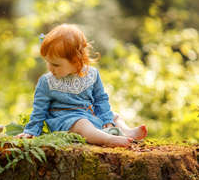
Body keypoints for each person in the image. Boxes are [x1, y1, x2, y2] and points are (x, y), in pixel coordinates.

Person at [16, 24, 147, 147]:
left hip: (89, 114)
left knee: (114, 115)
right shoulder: (47, 82)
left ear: (76, 61)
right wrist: (31, 131)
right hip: (66, 121)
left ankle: (126, 131)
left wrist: (107, 120)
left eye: (55, 64)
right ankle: (109, 139)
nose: (50, 68)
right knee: (82, 124)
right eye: (48, 62)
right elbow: (39, 110)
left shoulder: (91, 74)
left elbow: (101, 99)